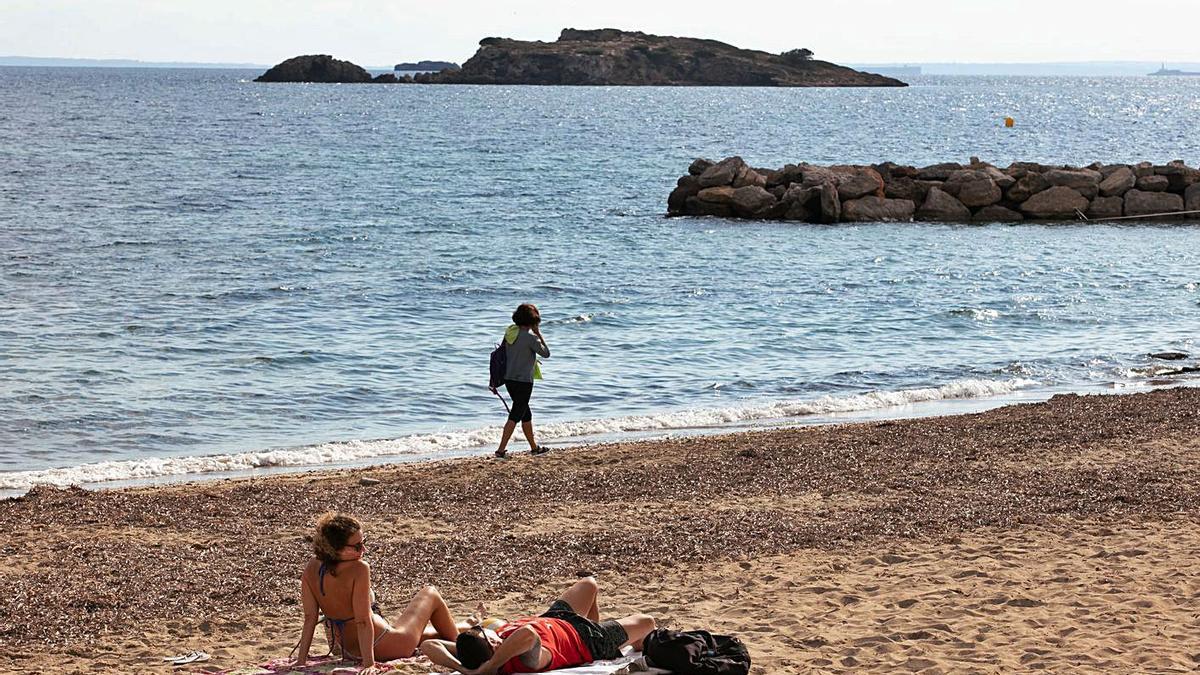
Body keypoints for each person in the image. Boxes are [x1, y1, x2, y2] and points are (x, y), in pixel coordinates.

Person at [289, 513, 463, 673]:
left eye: (364, 542)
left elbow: (310, 618)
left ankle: (467, 629)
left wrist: (301, 660)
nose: (363, 550)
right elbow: (363, 621)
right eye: (357, 546)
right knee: (430, 593)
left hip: (348, 650)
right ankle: (462, 646)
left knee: (427, 634)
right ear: (336, 548)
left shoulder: (312, 566)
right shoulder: (359, 569)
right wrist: (369, 664)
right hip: (383, 645)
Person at [420, 577, 656, 674]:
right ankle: (612, 635)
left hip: (556, 617)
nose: (494, 636)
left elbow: (430, 645)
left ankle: (602, 626)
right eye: (491, 640)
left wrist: (466, 670)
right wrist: (491, 666)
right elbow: (528, 633)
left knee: (589, 583)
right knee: (647, 622)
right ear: (491, 650)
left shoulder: (483, 649)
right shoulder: (522, 658)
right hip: (587, 640)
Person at [495, 303, 550, 458]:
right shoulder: (530, 338)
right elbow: (546, 353)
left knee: (526, 414)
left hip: (509, 379)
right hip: (524, 381)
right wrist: (538, 334)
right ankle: (500, 450)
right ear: (533, 321)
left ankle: (534, 448)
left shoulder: (510, 333)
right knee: (516, 413)